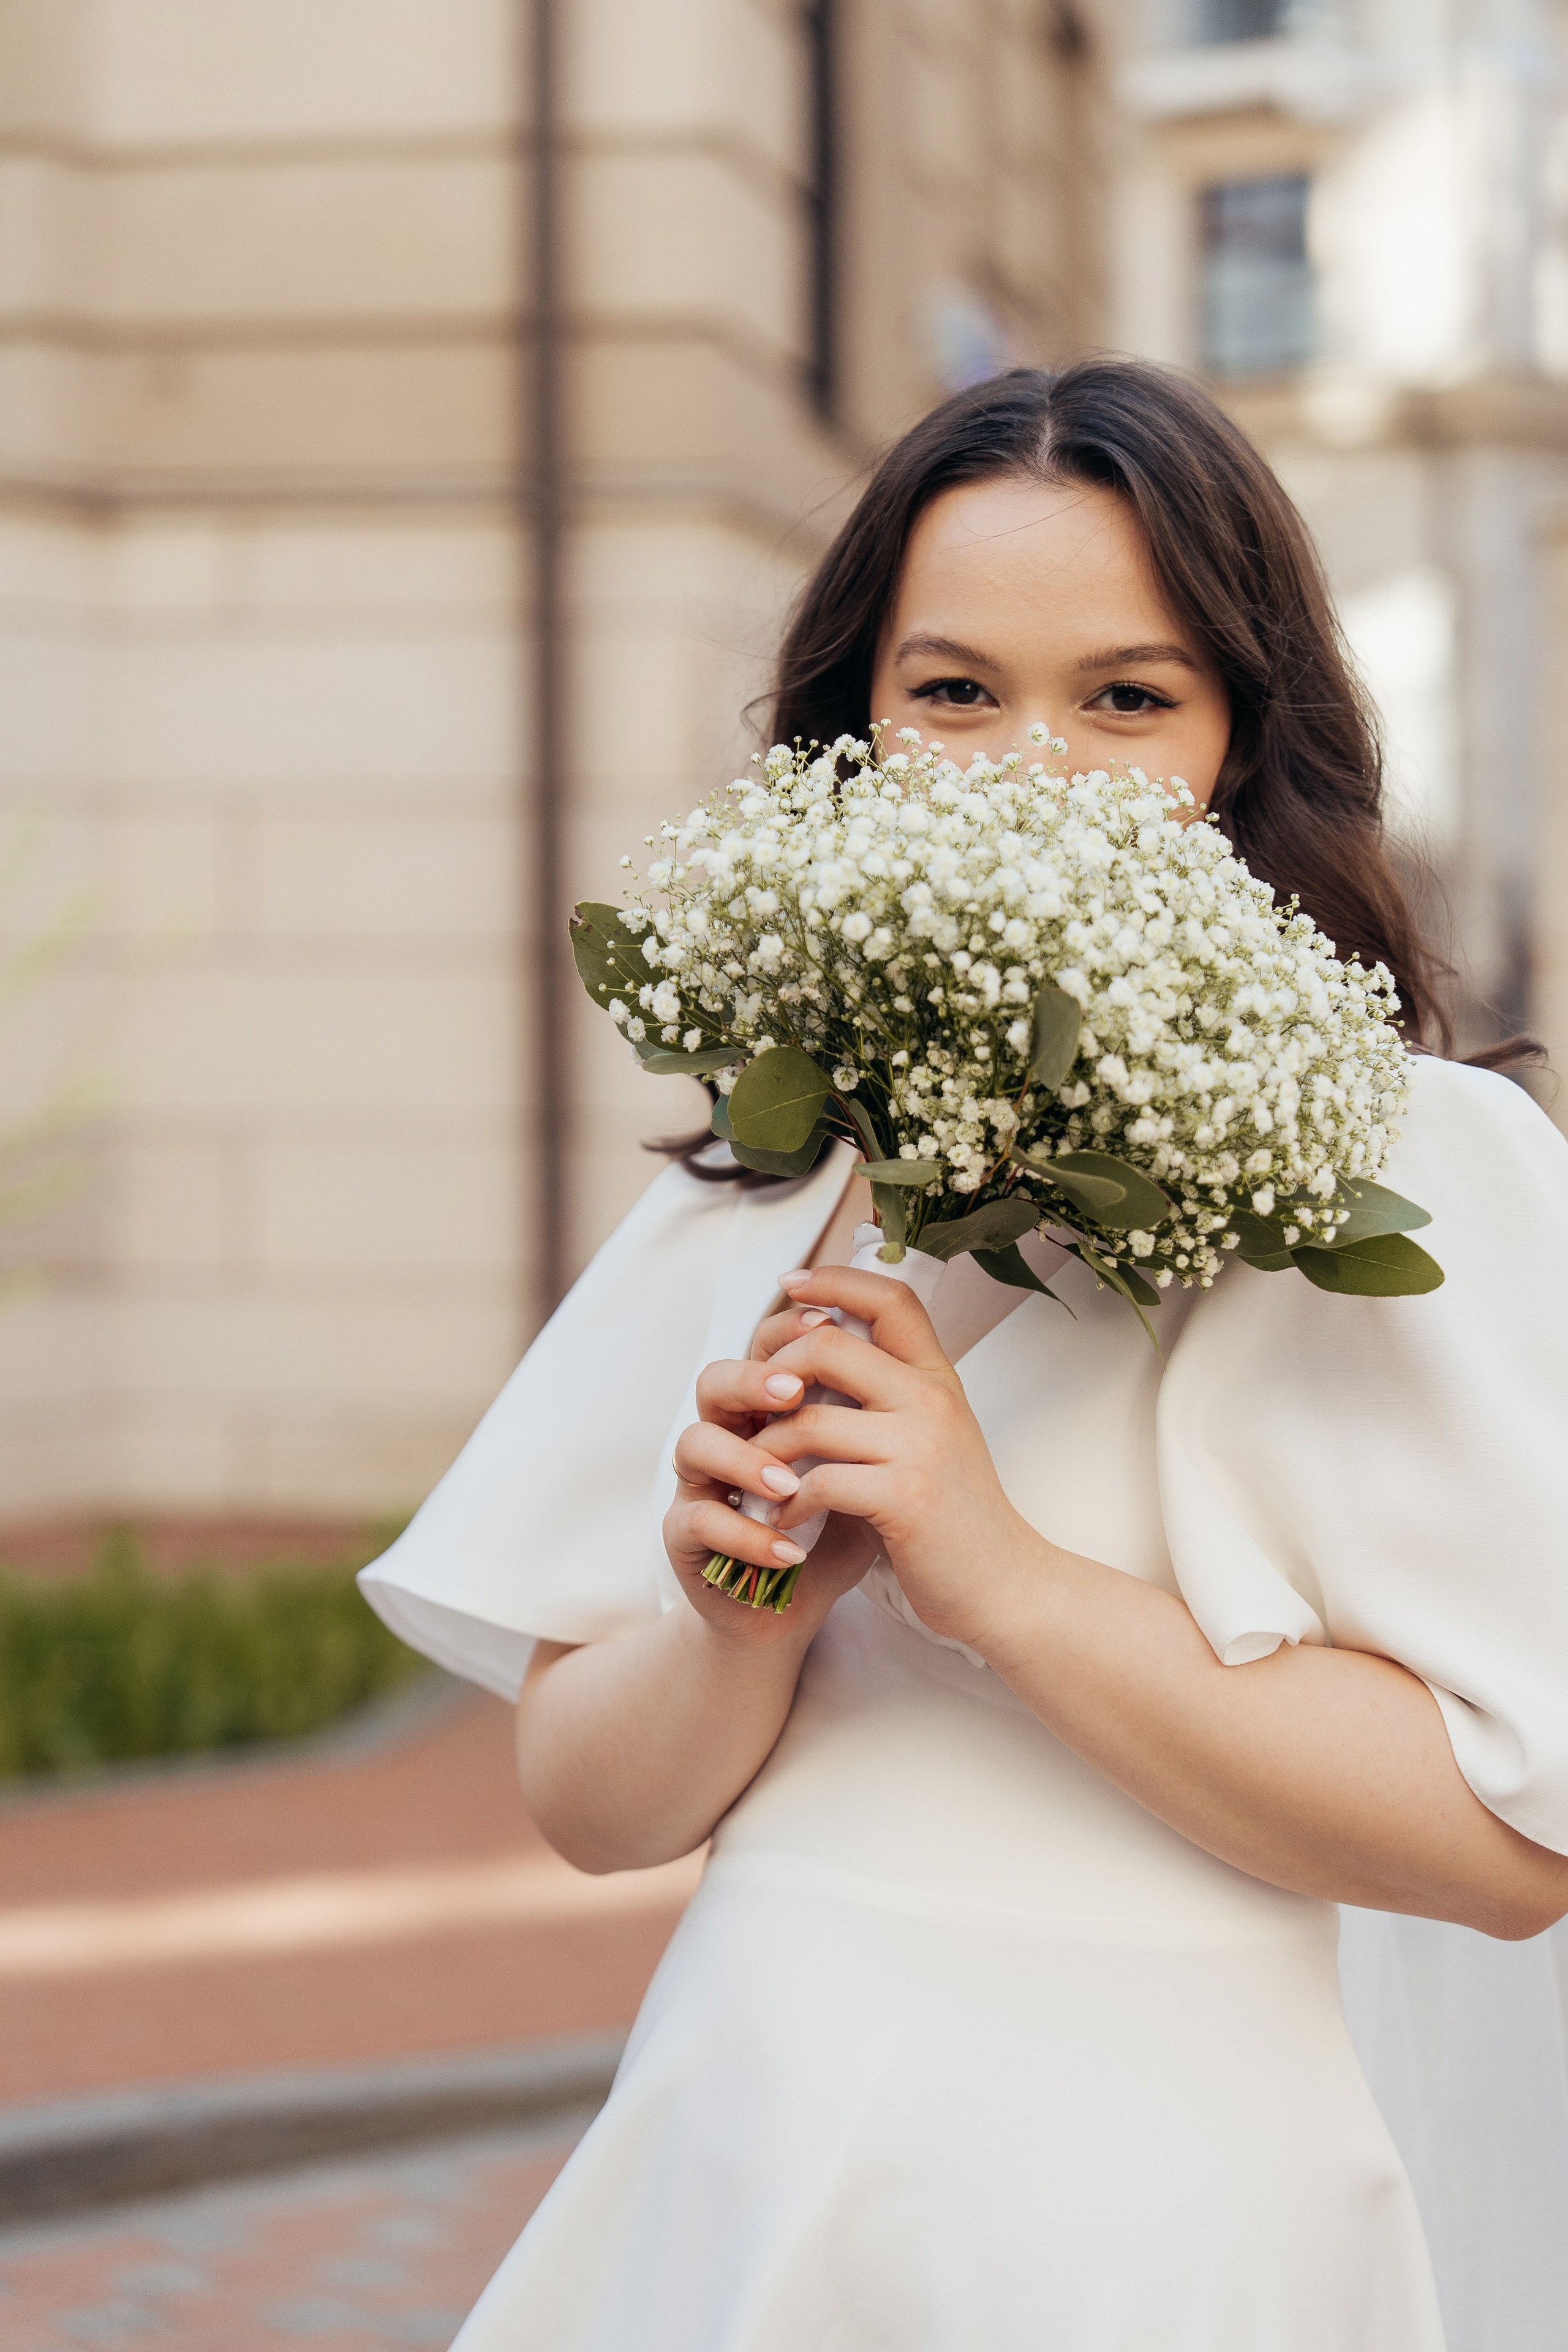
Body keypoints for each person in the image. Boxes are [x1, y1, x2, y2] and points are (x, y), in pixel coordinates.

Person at [361, 361, 1568, 2351]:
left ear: (1242, 745)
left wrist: (996, 1574)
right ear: (856, 732)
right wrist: (730, 1619)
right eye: (951, 693)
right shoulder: (762, 1180)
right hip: (753, 2148)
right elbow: (593, 1802)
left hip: (1168, 2214)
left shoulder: (1414, 1171)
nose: (1030, 767)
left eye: (1125, 697)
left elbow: (1511, 1849)